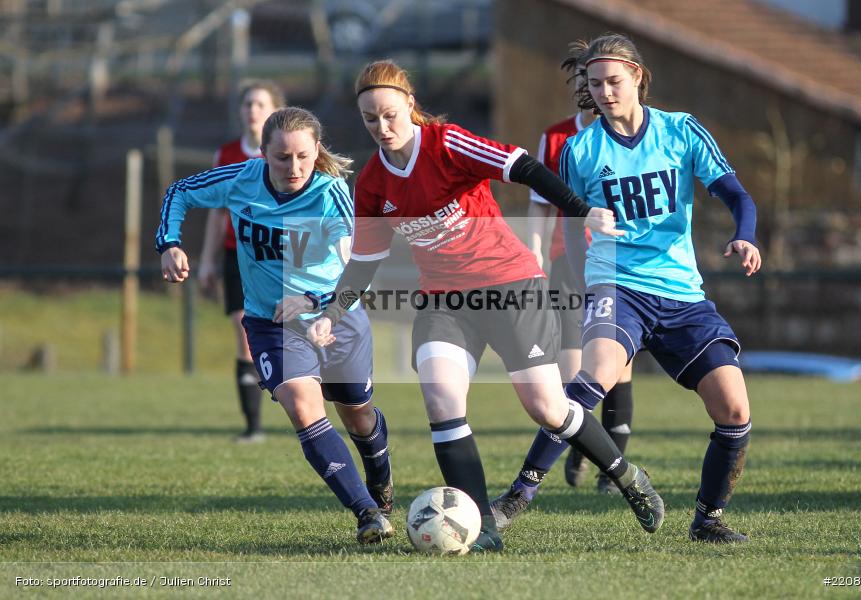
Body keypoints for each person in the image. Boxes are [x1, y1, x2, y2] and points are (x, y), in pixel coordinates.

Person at [307, 60, 665, 553]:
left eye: (390, 114)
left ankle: (626, 475)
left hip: (511, 286)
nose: (382, 127)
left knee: (547, 408)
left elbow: (525, 167)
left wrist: (581, 212)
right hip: (445, 303)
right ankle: (482, 530)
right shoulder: (372, 183)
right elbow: (363, 263)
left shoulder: (448, 143)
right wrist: (332, 312)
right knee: (441, 398)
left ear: (410, 105)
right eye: (371, 119)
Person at [156, 107, 395, 545]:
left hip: (337, 316)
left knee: (358, 414)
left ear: (317, 151)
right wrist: (169, 243)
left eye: (303, 156)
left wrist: (316, 302)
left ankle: (380, 479)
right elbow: (180, 191)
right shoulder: (241, 178)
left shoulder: (331, 194)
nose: (294, 167)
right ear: (263, 153)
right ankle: (367, 513)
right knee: (303, 407)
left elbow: (361, 267)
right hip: (271, 323)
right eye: (282, 158)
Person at [556, 34, 761, 543]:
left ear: (638, 77)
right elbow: (571, 229)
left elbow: (737, 195)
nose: (604, 92)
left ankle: (708, 520)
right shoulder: (580, 150)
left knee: (735, 410)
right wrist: (583, 286)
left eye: (613, 81)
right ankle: (519, 494)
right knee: (589, 384)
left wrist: (745, 235)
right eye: (595, 84)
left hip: (680, 293)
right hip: (617, 284)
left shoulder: (681, 131)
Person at [497, 52, 636, 511]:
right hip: (569, 263)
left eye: (604, 79)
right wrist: (535, 252)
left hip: (621, 262)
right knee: (574, 370)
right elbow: (540, 202)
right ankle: (581, 442)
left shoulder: (633, 135)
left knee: (618, 367)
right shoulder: (559, 137)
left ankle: (611, 471)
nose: (596, 90)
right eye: (587, 81)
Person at [197, 80, 286, 444]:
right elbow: (217, 212)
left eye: (260, 104)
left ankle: (314, 410)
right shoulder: (227, 154)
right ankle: (253, 427)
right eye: (248, 103)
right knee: (244, 329)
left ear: (275, 111)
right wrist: (207, 261)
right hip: (239, 255)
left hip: (282, 255)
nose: (252, 110)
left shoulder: (287, 152)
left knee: (299, 332)